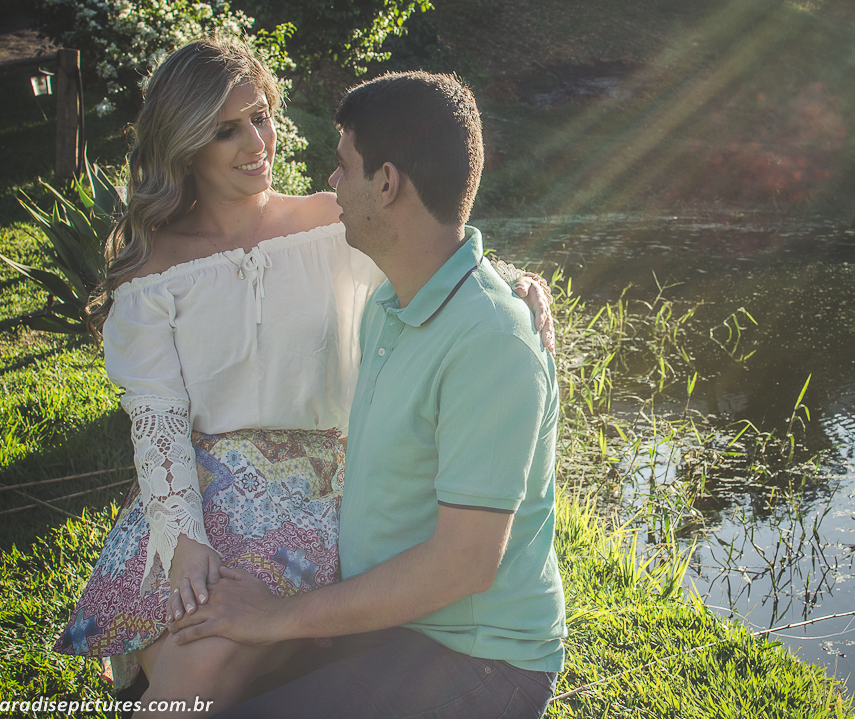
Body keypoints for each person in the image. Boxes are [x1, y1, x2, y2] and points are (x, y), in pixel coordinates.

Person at [52, 40, 553, 717]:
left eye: (260, 116)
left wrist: (512, 279)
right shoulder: (152, 273)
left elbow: (426, 239)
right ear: (185, 145)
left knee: (205, 651)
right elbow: (157, 419)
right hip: (200, 486)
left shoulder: (332, 223)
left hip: (315, 486)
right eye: (226, 130)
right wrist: (182, 537)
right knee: (180, 643)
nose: (256, 142)